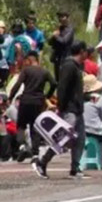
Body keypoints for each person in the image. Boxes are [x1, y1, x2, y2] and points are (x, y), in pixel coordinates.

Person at [33, 41, 88, 178]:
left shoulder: (76, 66)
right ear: (81, 51)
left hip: (76, 109)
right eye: (86, 51)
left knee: (79, 139)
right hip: (70, 109)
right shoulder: (69, 66)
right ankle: (42, 161)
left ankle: (75, 168)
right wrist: (61, 107)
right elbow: (62, 87)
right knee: (63, 139)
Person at [13, 51, 54, 163]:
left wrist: (11, 96)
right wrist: (47, 96)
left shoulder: (26, 70)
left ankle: (22, 147)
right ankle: (35, 155)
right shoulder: (44, 71)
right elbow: (54, 83)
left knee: (21, 126)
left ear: (29, 60)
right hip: (38, 102)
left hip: (25, 100)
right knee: (35, 127)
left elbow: (18, 84)